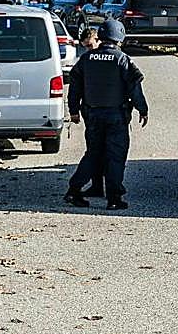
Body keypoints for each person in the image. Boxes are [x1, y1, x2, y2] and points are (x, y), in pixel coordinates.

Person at [64, 19, 149, 210]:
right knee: (115, 156)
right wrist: (142, 109)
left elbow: (74, 86)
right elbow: (135, 88)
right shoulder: (122, 59)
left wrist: (73, 110)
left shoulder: (86, 59)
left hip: (92, 116)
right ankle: (114, 198)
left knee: (93, 154)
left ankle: (74, 190)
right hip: (116, 117)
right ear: (119, 37)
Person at [73, 27, 106, 197]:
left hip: (106, 112)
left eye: (90, 45)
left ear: (98, 40)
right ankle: (97, 186)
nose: (88, 49)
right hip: (91, 112)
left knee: (106, 151)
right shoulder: (85, 60)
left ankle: (109, 187)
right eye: (85, 46)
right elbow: (75, 86)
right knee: (94, 150)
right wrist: (74, 110)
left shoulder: (111, 57)